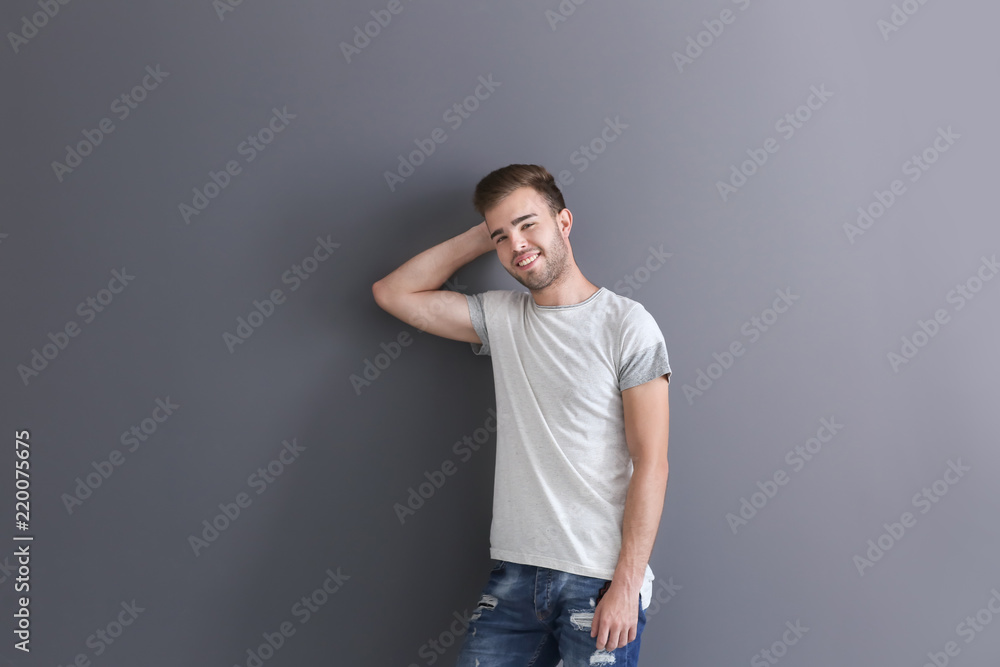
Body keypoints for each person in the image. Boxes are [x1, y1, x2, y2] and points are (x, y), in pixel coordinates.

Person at [372, 164, 671, 666]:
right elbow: (393, 293)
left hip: (599, 579)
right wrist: (480, 234)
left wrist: (627, 584)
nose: (517, 244)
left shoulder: (627, 325)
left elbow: (652, 462)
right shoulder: (502, 317)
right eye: (502, 236)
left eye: (528, 224)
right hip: (512, 577)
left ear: (564, 222)